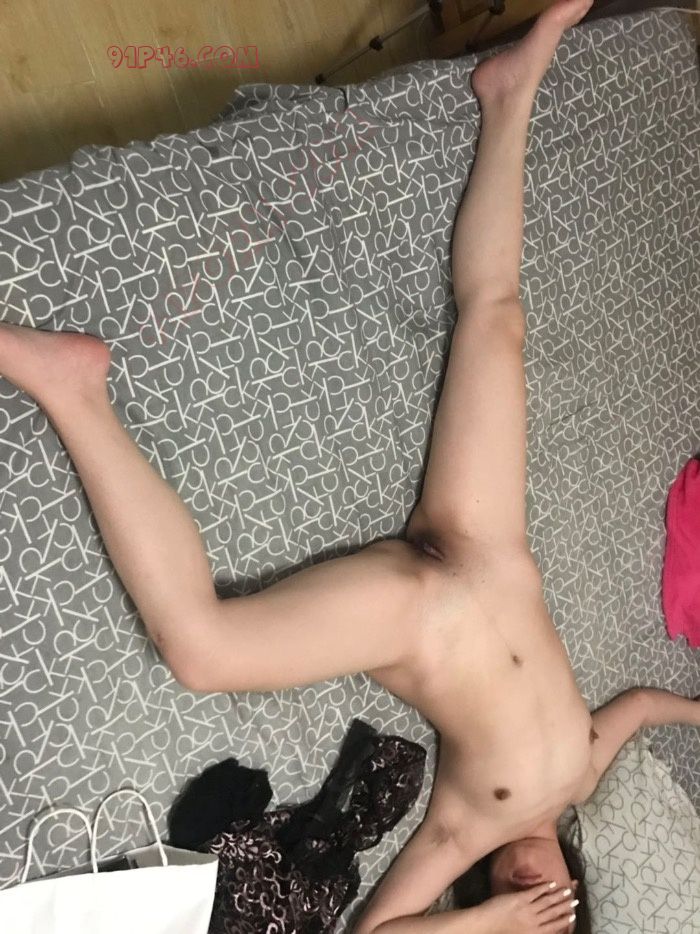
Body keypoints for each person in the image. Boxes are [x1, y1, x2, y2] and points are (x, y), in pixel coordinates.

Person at [0, 0, 698, 930]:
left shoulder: (462, 833)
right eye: (554, 914)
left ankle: (72, 389)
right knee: (496, 315)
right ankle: (510, 94)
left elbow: (374, 931)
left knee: (203, 652)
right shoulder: (583, 772)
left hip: (411, 618)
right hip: (487, 543)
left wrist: (484, 923)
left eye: (523, 917)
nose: (535, 904)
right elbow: (645, 704)